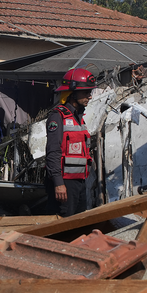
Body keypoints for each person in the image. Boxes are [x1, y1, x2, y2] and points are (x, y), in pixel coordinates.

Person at [45, 67, 97, 217]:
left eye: (90, 92)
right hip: (64, 184)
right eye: (86, 92)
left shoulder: (79, 118)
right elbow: (53, 152)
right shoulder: (57, 117)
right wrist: (58, 183)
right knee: (63, 225)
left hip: (79, 183)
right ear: (72, 93)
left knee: (78, 224)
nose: (90, 96)